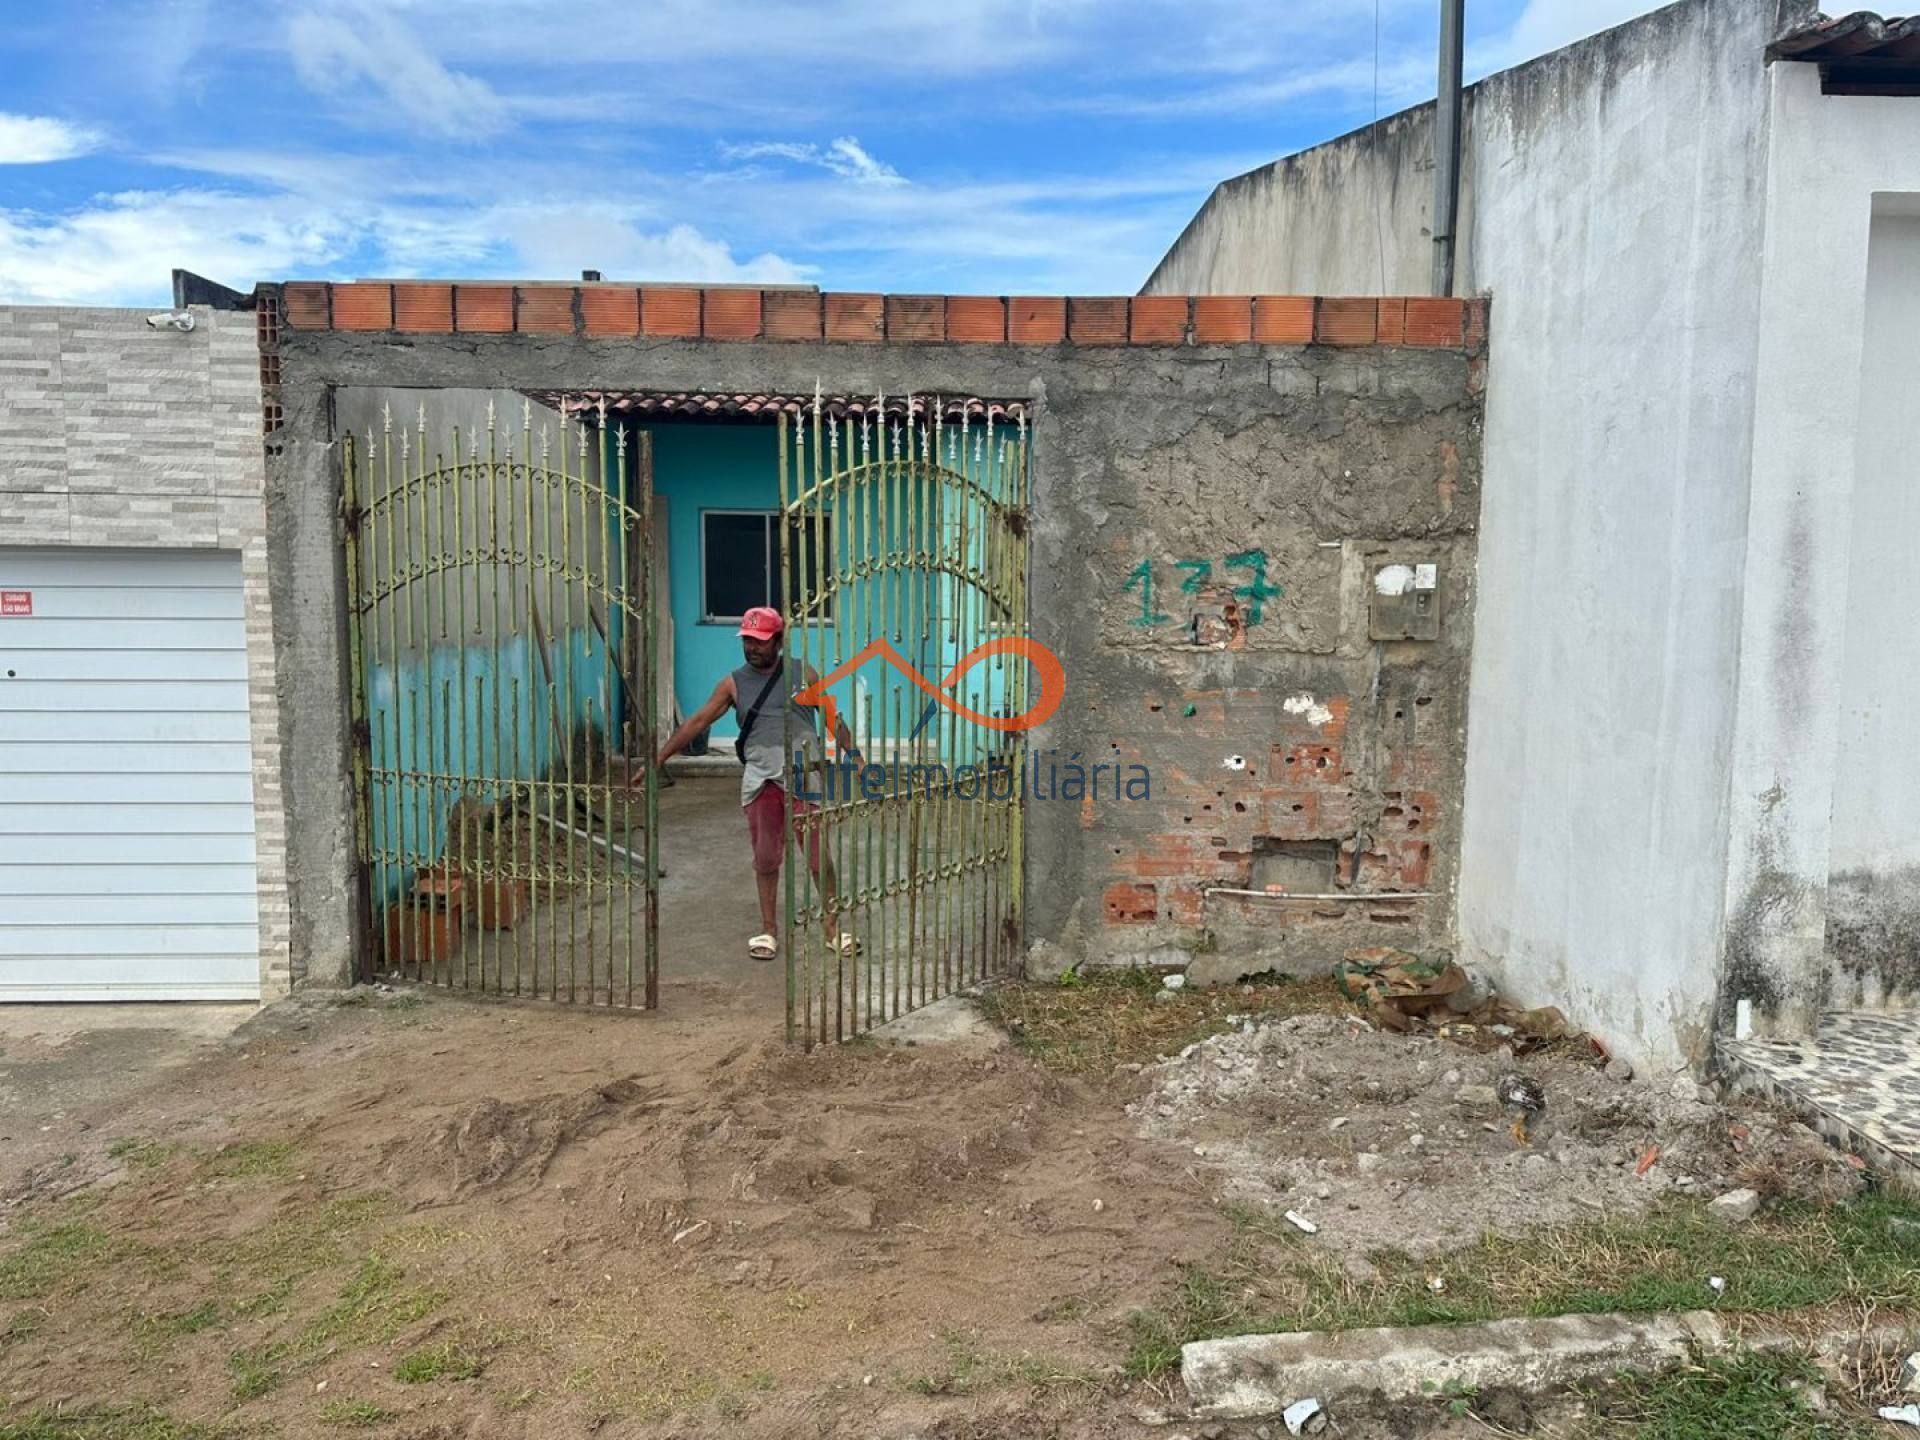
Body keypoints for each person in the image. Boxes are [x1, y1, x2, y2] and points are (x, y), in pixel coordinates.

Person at [646, 606, 858, 961]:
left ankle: (832, 927)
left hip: (804, 777)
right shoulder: (733, 683)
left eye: (760, 642)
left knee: (820, 857)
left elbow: (833, 716)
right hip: (762, 781)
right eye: (748, 641)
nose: (753, 648)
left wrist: (857, 756)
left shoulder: (802, 672)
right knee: (765, 858)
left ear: (778, 640)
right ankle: (768, 930)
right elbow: (698, 721)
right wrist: (659, 757)